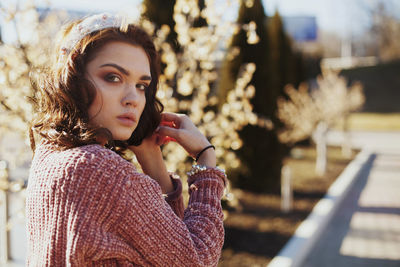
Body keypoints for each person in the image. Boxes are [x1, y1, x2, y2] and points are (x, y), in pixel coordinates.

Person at [26, 13, 227, 266]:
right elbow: (195, 259)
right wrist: (206, 160)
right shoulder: (96, 168)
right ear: (75, 78)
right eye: (113, 77)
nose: (132, 98)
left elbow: (172, 249)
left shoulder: (50, 153)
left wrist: (151, 156)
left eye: (142, 85)